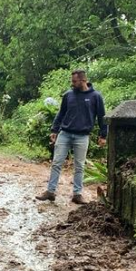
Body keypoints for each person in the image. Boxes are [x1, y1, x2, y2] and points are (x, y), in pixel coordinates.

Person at [35, 69, 107, 204]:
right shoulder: (68, 95)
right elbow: (61, 113)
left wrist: (103, 135)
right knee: (56, 162)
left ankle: (77, 194)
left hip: (83, 136)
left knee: (79, 166)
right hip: (65, 133)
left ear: (83, 80)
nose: (72, 84)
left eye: (74, 81)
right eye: (72, 81)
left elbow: (102, 117)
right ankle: (50, 191)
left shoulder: (95, 96)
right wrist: (54, 130)